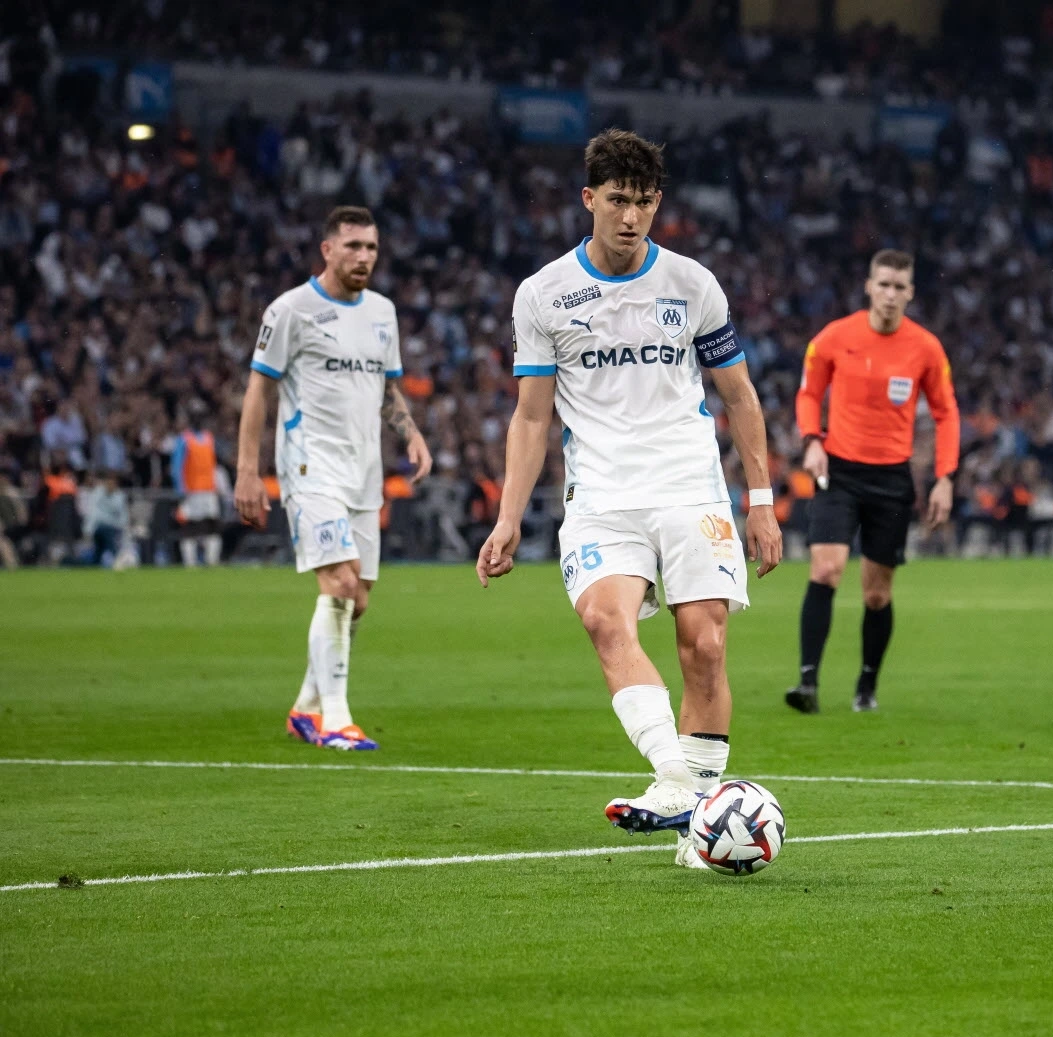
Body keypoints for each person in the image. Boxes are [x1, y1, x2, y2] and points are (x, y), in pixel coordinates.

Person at [476, 130, 782, 869]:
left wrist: (763, 498)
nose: (630, 218)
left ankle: (691, 827)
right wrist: (509, 515)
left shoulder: (692, 284)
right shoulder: (544, 293)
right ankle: (676, 781)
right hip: (604, 493)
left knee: (704, 648)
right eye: (617, 201)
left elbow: (738, 394)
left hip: (688, 483)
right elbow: (530, 415)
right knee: (603, 621)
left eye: (644, 203)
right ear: (589, 199)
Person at [235, 205, 433, 752]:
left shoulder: (382, 313)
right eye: (353, 247)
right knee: (340, 585)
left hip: (363, 471)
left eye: (371, 247)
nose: (364, 257)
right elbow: (259, 390)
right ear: (327, 250)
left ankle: (306, 707)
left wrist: (411, 433)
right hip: (309, 466)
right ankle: (336, 721)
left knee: (359, 598)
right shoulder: (291, 311)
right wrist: (247, 471)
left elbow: (389, 386)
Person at [784, 249, 960, 713]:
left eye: (899, 287)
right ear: (868, 286)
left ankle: (866, 686)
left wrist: (945, 477)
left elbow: (946, 413)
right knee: (825, 570)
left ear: (911, 293)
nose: (890, 294)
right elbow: (808, 394)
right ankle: (807, 684)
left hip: (891, 478)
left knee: (877, 592)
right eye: (883, 284)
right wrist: (812, 440)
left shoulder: (925, 347)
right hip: (838, 470)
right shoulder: (834, 338)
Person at [171, 411, 222, 566]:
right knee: (190, 527)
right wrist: (180, 489)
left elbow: (213, 465)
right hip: (192, 490)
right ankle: (190, 562)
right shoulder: (184, 439)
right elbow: (176, 466)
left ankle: (212, 560)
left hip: (209, 490)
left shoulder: (209, 438)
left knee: (211, 525)